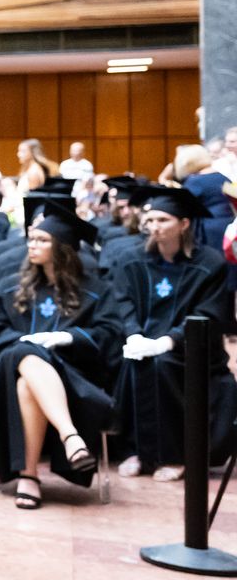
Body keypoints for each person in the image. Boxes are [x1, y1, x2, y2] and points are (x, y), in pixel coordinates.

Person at [0, 202, 122, 508]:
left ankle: (29, 476)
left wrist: (67, 337)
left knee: (27, 384)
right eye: (31, 239)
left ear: (63, 248)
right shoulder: (9, 286)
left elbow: (110, 334)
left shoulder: (95, 290)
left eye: (42, 240)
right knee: (25, 352)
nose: (32, 245)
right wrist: (27, 343)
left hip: (72, 375)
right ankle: (70, 436)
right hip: (8, 369)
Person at [109, 183, 235, 481]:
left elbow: (210, 312)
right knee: (133, 362)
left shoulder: (210, 263)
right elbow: (123, 301)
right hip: (143, 340)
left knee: (162, 365)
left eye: (163, 220)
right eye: (150, 219)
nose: (154, 226)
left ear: (184, 224)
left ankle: (176, 455)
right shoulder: (131, 259)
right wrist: (134, 334)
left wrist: (170, 340)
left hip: (192, 348)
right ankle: (137, 451)